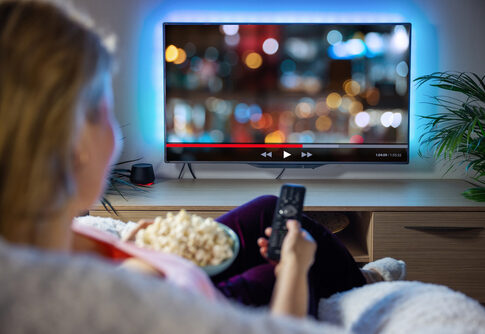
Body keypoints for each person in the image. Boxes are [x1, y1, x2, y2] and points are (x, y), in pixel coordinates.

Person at [0, 1, 411, 333]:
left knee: (269, 210)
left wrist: (136, 251)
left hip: (169, 280)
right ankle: (361, 286)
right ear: (75, 147)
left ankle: (360, 281)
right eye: (105, 109)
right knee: (279, 268)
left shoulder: (34, 234)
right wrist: (294, 272)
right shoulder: (100, 300)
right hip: (193, 300)